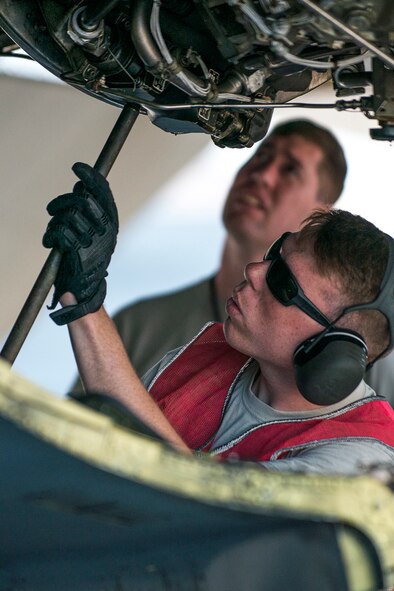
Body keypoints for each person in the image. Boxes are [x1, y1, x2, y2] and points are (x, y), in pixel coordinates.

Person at [43, 165, 394, 476]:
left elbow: (206, 514)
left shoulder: (360, 460)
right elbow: (127, 434)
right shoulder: (209, 352)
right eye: (274, 255)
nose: (255, 271)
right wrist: (83, 296)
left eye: (283, 283)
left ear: (334, 349)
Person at [71, 118, 348, 386]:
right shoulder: (138, 325)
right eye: (260, 157)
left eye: (290, 170)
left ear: (320, 215)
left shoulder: (339, 358)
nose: (262, 175)